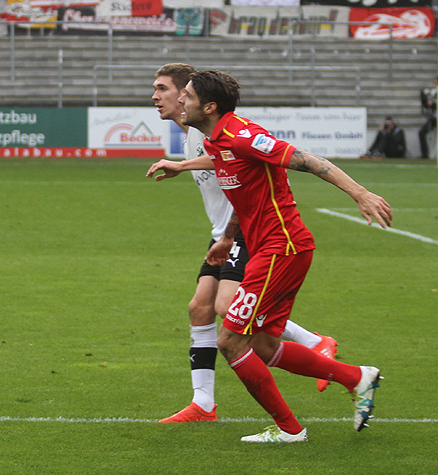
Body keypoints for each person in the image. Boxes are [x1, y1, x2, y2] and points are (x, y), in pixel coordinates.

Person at [147, 70, 391, 444]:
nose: (180, 99)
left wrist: (360, 194)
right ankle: (357, 377)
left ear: (209, 107)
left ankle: (290, 430)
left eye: (187, 96)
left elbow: (308, 160)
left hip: (283, 248)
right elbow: (232, 176)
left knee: (230, 341)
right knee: (262, 345)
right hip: (271, 249)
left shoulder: (242, 135)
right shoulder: (216, 139)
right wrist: (186, 174)